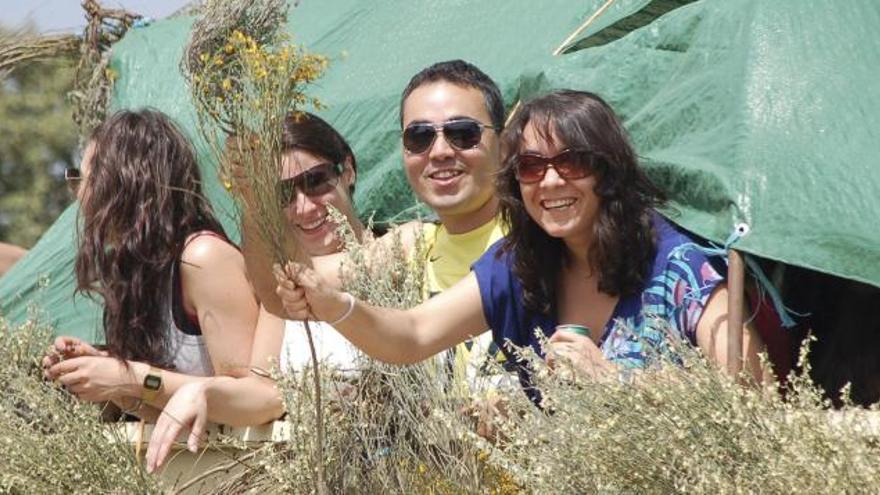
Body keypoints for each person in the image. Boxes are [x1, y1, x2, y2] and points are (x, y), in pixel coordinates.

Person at [274, 90, 767, 395]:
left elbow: (748, 388)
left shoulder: (674, 264)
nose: (549, 182)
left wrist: (616, 382)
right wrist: (337, 306)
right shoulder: (518, 264)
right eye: (531, 168)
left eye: (570, 162)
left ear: (606, 170)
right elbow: (414, 336)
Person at [146, 112, 365, 472]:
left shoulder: (404, 249)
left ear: (349, 170)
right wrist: (203, 391)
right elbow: (266, 393)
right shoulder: (280, 290)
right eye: (281, 194)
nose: (304, 207)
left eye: (316, 181)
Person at [42, 109, 259, 420]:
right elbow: (162, 411)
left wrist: (128, 377)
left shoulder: (204, 258)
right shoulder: (136, 266)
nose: (80, 197)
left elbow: (249, 398)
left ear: (125, 183)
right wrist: (104, 374)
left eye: (84, 178)